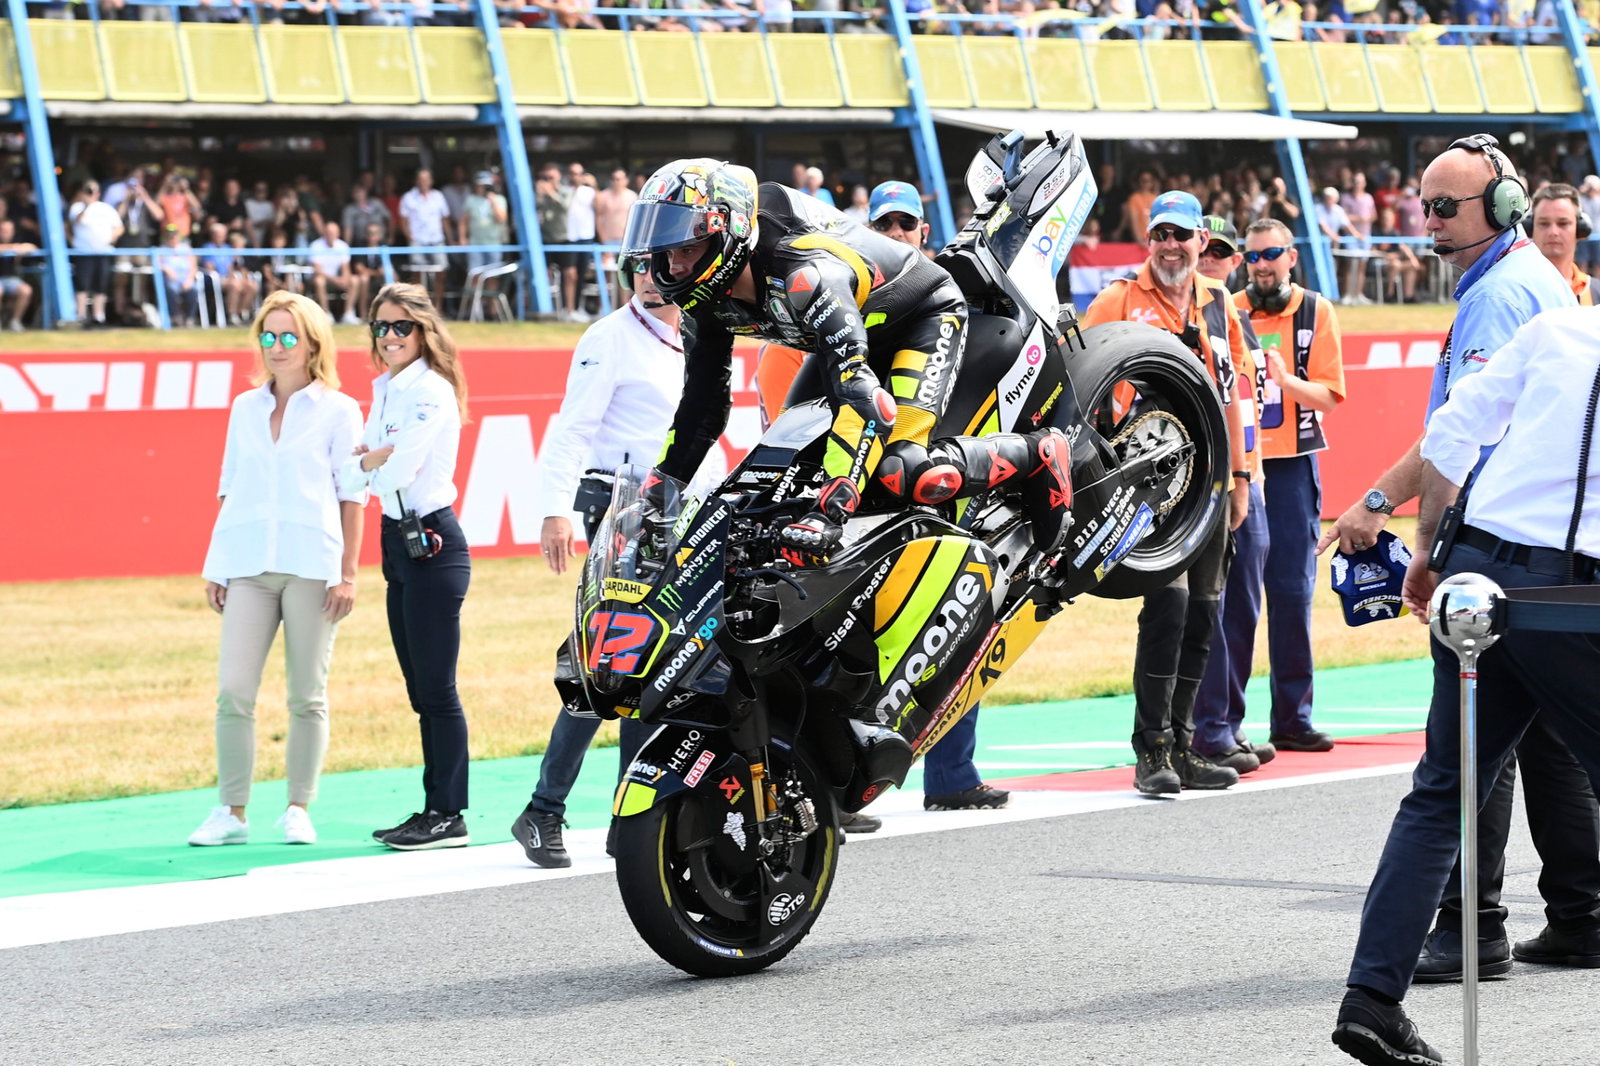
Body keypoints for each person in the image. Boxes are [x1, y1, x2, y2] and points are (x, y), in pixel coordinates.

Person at [1317, 135, 1586, 1037]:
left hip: (1487, 575)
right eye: (1423, 206)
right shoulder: (1534, 298)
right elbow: (1452, 438)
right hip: (1564, 590)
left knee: (1445, 787)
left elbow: (1456, 435)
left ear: (1504, 209)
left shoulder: (1529, 310)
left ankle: (1372, 1001)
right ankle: (1554, 915)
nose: (1428, 223)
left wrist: (1433, 553)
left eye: (1446, 207)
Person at [621, 158, 1072, 581]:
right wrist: (660, 495)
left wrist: (830, 509)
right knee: (787, 472)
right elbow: (701, 403)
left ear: (728, 231)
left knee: (904, 470)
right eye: (665, 252)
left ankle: (1039, 454)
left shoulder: (804, 272)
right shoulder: (701, 301)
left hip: (921, 319)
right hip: (844, 337)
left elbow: (855, 392)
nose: (672, 266)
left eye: (688, 247)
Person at [509, 261, 685, 868]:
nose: (647, 277)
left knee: (649, 662)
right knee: (617, 655)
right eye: (636, 267)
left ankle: (621, 815)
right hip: (617, 502)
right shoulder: (609, 337)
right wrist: (554, 510)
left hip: (674, 507)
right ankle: (546, 809)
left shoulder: (698, 334)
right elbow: (571, 430)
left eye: (662, 265)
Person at [1079, 190, 1253, 795]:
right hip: (1150, 484)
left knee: (1206, 609)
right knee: (1169, 607)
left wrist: (1242, 476)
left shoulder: (1219, 302)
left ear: (1202, 241)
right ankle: (1150, 749)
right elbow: (1076, 381)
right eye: (1160, 235)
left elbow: (1236, 394)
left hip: (1208, 479)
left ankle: (1184, 747)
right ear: (1147, 241)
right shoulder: (1119, 299)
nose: (1171, 246)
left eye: (1182, 235)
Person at [189, 291, 364, 849]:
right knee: (233, 691)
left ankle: (297, 807)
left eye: (289, 336)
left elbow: (351, 494)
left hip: (312, 566)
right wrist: (217, 565)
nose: (278, 347)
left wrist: (348, 573)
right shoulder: (245, 408)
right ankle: (231, 811)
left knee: (306, 695)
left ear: (313, 343)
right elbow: (229, 487)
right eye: (269, 336)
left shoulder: (339, 408)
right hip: (247, 567)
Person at [1200, 217, 1346, 765]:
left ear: (1291, 257)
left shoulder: (1315, 311)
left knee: (1291, 593)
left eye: (1272, 254)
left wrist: (1286, 383)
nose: (1263, 264)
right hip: (1243, 467)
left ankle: (1293, 716)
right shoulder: (1226, 309)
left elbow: (1331, 397)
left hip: (1292, 467)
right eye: (1254, 256)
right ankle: (1227, 722)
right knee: (1236, 601)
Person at [342, 282, 474, 851]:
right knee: (419, 687)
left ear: (423, 330)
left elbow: (393, 472)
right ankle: (434, 807)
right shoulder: (388, 389)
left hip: (433, 540)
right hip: (397, 539)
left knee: (438, 689)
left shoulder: (430, 391)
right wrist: (374, 462)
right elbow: (359, 474)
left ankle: (448, 814)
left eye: (402, 326)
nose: (390, 336)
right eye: (382, 327)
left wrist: (372, 462)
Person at [1190, 215, 1273, 773]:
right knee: (1207, 605)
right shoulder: (1175, 310)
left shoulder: (1230, 313)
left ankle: (1230, 722)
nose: (1211, 258)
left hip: (1248, 472)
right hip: (1200, 477)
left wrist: (1248, 475)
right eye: (1206, 249)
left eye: (1222, 250)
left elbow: (1242, 402)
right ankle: (1207, 726)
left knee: (1243, 604)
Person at [68, 180, 124, 329]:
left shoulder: (106, 208)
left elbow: (119, 227)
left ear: (99, 193)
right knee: (82, 285)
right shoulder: (77, 207)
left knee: (101, 285)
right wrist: (87, 204)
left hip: (103, 252)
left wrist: (111, 239)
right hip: (84, 252)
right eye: (88, 190)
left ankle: (99, 316)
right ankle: (81, 316)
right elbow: (75, 222)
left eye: (93, 191)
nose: (91, 194)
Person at [1528, 182, 1594, 306]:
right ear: (1530, 229)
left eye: (1563, 223)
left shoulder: (1594, 291)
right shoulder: (1516, 292)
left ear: (1581, 229)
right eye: (1544, 224)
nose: (1553, 232)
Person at [398, 170, 451, 308]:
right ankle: (419, 306)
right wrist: (410, 237)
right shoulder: (408, 197)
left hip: (437, 240)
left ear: (431, 181)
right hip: (418, 241)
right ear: (416, 181)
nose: (423, 182)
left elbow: (445, 219)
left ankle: (438, 307)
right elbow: (403, 221)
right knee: (417, 274)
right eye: (421, 179)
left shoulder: (438, 196)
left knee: (441, 273)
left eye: (426, 179)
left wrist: (450, 239)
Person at [308, 220, 358, 324]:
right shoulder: (315, 245)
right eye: (328, 232)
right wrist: (335, 280)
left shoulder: (343, 246)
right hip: (322, 278)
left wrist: (345, 279)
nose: (331, 235)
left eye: (333, 232)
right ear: (324, 233)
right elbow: (317, 270)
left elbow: (346, 267)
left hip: (337, 279)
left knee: (355, 280)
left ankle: (348, 314)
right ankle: (326, 314)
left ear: (338, 233)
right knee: (319, 281)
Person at [159, 223, 199, 328]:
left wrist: (189, 279)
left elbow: (193, 266)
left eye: (174, 235)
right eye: (170, 236)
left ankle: (190, 318)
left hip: (186, 279)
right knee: (171, 289)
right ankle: (176, 317)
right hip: (170, 280)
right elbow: (157, 264)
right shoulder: (161, 250)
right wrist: (166, 269)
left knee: (194, 289)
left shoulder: (186, 248)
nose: (172, 238)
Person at [0, 218, 37, 331]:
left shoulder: (17, 240)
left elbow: (32, 247)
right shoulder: (13, 245)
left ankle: (15, 321)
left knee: (25, 290)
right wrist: (13, 248)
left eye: (9, 230)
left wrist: (24, 247)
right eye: (4, 230)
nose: (7, 233)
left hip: (11, 279)